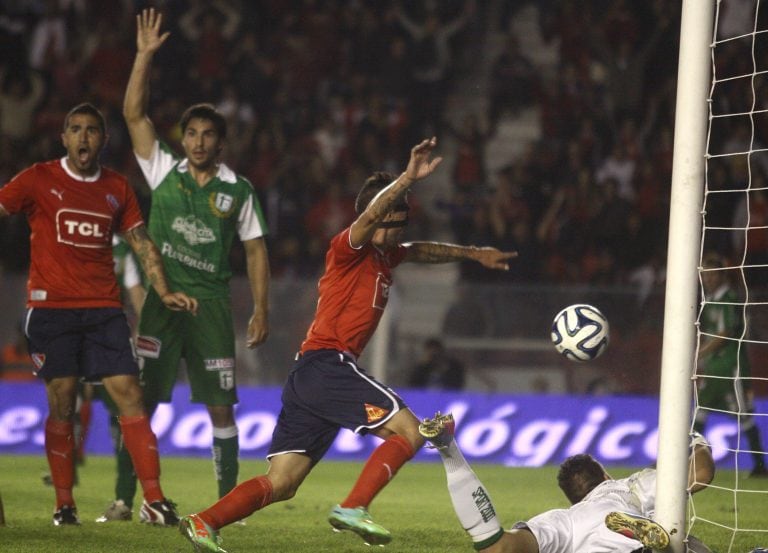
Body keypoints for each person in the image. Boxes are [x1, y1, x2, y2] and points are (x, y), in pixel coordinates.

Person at [178, 134, 516, 552]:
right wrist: (407, 178)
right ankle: (354, 506)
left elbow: (423, 251)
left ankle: (203, 521)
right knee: (410, 432)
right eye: (396, 215)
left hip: (309, 375)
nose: (400, 226)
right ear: (383, 215)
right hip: (327, 364)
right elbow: (372, 216)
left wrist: (473, 253)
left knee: (282, 483)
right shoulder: (348, 247)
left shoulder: (386, 256)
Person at [97, 8, 271, 521]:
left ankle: (225, 506)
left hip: (212, 307)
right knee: (138, 402)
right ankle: (125, 500)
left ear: (220, 142)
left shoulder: (237, 190)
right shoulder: (163, 170)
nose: (197, 141)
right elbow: (133, 115)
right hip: (160, 305)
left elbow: (257, 250)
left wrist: (261, 309)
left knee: (221, 408)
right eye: (190, 133)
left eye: (206, 135)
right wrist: (144, 57)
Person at [0, 102, 197, 526]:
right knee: (63, 403)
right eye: (75, 129)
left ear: (103, 140)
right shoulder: (38, 178)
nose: (84, 136)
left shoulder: (116, 187)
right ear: (64, 138)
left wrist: (163, 289)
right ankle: (64, 505)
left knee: (129, 392)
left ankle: (155, 500)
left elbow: (141, 242)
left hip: (104, 308)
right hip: (51, 309)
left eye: (92, 130)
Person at [419, 412, 716, 553]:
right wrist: (696, 441)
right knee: (688, 545)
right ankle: (650, 546)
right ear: (604, 475)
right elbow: (701, 475)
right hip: (638, 522)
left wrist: (451, 453)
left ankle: (642, 547)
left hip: (582, 536)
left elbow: (498, 548)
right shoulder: (631, 486)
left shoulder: (565, 519)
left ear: (573, 497)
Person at [695, 252, 767, 477]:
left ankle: (759, 466)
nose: (708, 279)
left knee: (744, 415)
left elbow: (726, 333)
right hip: (714, 367)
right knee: (699, 413)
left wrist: (700, 353)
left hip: (731, 367)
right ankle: (684, 461)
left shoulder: (730, 298)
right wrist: (703, 361)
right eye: (705, 275)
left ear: (721, 275)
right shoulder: (709, 301)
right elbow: (708, 335)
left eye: (712, 274)